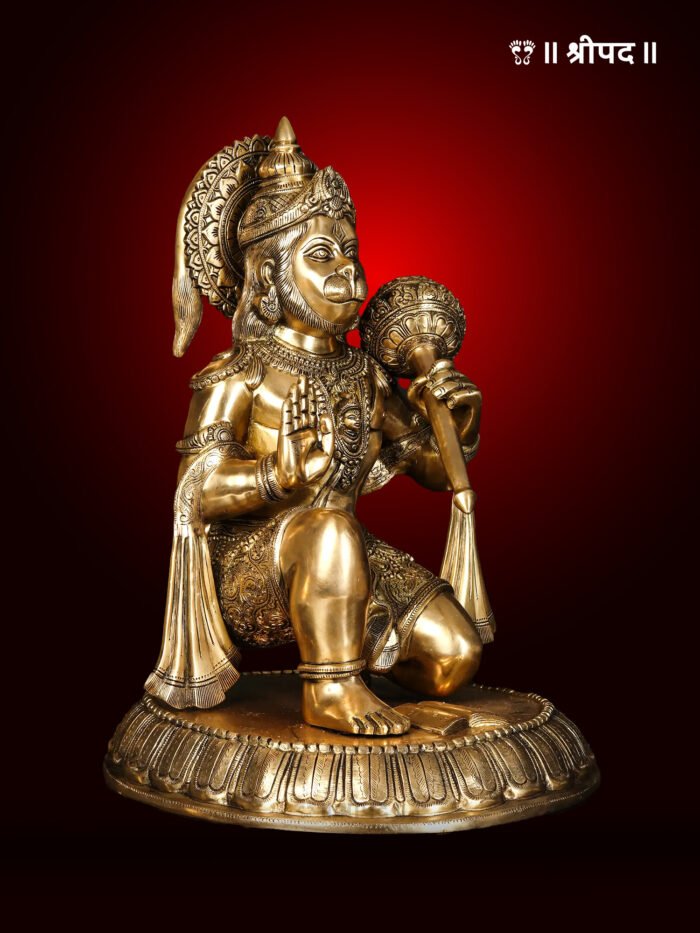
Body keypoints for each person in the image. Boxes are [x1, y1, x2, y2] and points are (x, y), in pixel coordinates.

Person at [145, 117, 490, 736]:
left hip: (345, 554)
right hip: (256, 565)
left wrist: (459, 422)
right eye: (322, 256)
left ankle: (346, 641)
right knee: (327, 528)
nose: (349, 273)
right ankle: (330, 688)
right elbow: (194, 491)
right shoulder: (240, 374)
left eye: (352, 253)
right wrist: (274, 476)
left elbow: (433, 470)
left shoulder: (365, 374)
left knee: (452, 657)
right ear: (269, 277)